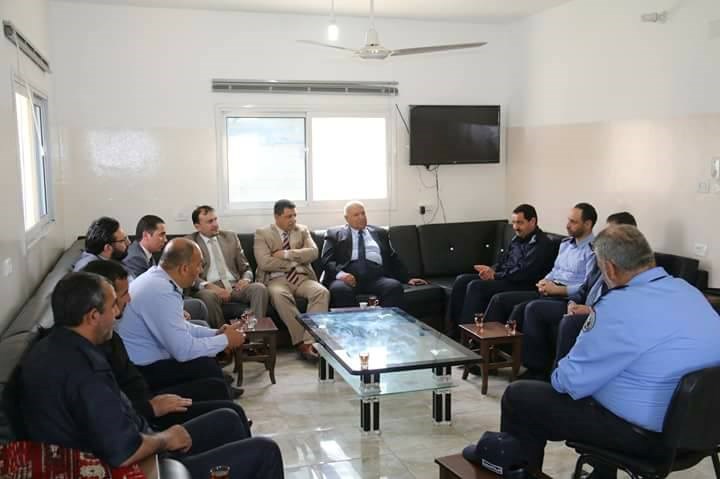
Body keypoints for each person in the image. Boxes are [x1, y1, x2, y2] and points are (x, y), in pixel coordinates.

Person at [500, 225, 720, 477]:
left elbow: (567, 383)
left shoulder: (618, 306)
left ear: (611, 269)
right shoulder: (689, 291)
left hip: (650, 439)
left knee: (519, 396)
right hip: (706, 430)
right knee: (617, 381)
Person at [20, 272, 284, 477]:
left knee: (228, 418)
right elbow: (124, 450)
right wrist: (166, 438)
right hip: (141, 466)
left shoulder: (54, 347)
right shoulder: (85, 372)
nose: (118, 312)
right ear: (92, 316)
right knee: (265, 450)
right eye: (113, 306)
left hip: (137, 439)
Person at [83, 259, 251, 432]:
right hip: (146, 410)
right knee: (230, 413)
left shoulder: (110, 337)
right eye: (124, 294)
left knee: (216, 387)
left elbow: (180, 330)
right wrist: (151, 409)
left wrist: (216, 334)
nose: (129, 299)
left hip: (146, 396)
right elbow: (182, 350)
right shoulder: (88, 354)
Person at [116, 238, 246, 395]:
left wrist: (216, 333)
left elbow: (180, 326)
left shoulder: (159, 279)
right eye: (199, 265)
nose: (200, 271)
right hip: (143, 371)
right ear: (184, 268)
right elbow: (183, 351)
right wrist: (225, 340)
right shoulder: (161, 291)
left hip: (147, 360)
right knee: (208, 370)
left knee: (209, 367)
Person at [482, 203, 598, 330]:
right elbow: (555, 270)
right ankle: (485, 338)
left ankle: (506, 341)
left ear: (587, 224)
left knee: (523, 309)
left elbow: (588, 286)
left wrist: (559, 290)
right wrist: (545, 281)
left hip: (567, 298)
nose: (567, 225)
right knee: (500, 300)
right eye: (568, 220)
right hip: (549, 290)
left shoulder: (594, 251)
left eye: (573, 222)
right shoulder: (565, 244)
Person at [447, 204, 555, 338]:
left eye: (520, 223)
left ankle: (468, 337)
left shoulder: (541, 243)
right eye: (514, 222)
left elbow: (524, 272)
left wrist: (495, 276)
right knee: (461, 280)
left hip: (523, 284)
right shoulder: (517, 239)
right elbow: (504, 261)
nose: (515, 227)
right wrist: (491, 269)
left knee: (476, 286)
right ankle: (453, 331)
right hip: (506, 278)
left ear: (532, 221)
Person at [254, 199, 329, 360]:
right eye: (288, 216)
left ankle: (309, 340)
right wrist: (294, 262)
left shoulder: (302, 230)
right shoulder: (262, 233)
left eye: (294, 215)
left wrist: (287, 254)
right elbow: (264, 262)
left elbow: (314, 252)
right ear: (277, 217)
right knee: (279, 295)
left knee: (321, 292)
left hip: (302, 278)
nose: (293, 220)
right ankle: (302, 342)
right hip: (276, 280)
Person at [321, 201, 427, 309]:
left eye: (363, 213)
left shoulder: (380, 233)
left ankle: (387, 320)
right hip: (347, 279)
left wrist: (407, 278)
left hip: (376, 278)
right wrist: (341, 275)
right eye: (356, 215)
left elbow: (392, 257)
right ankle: (351, 320)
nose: (361, 217)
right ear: (347, 218)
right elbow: (326, 260)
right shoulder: (334, 234)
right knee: (339, 289)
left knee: (394, 286)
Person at [187, 205, 269, 328]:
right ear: (197, 226)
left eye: (215, 219)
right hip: (210, 288)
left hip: (235, 286)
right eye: (210, 221)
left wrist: (245, 280)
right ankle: (224, 336)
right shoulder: (189, 242)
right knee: (208, 296)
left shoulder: (230, 237)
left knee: (259, 288)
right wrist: (209, 286)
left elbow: (246, 267)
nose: (215, 224)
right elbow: (189, 275)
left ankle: (255, 334)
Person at [124, 214, 208, 323]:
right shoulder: (135, 257)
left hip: (159, 300)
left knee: (197, 304)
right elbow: (146, 296)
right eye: (161, 235)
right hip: (149, 310)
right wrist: (176, 309)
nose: (165, 240)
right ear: (146, 235)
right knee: (199, 306)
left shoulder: (147, 253)